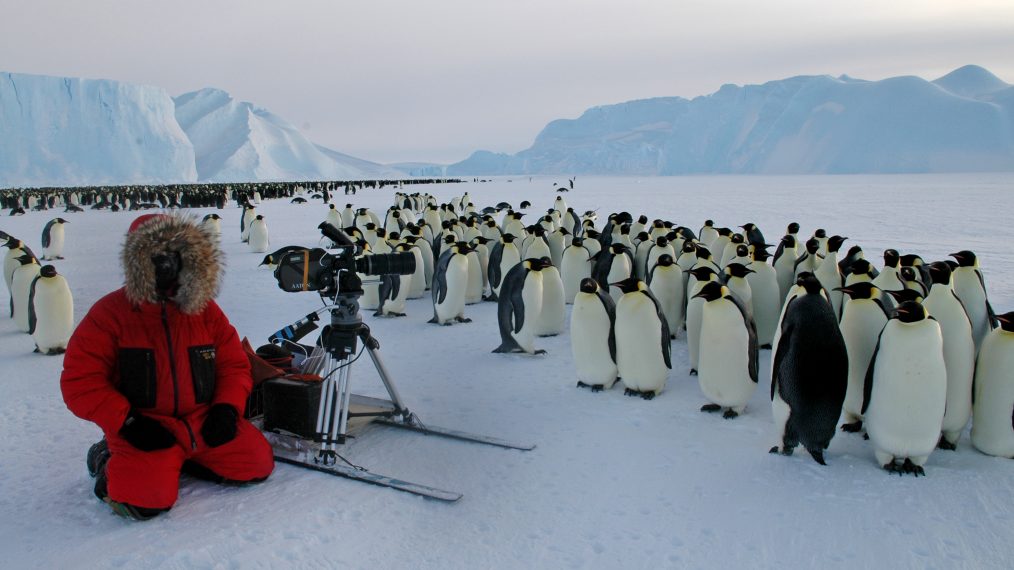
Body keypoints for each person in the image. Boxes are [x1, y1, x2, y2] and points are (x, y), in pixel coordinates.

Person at [61, 213, 274, 520]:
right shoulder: (111, 314)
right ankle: (106, 457)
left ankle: (183, 457)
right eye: (154, 254)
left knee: (256, 464)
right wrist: (127, 422)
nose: (164, 264)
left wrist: (226, 408)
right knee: (144, 502)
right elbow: (80, 381)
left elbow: (233, 366)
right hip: (146, 426)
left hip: (201, 421)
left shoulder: (204, 311)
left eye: (172, 254)